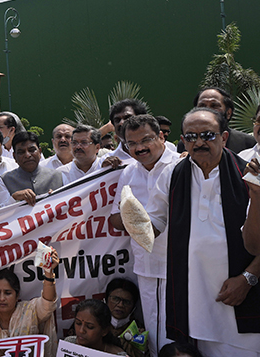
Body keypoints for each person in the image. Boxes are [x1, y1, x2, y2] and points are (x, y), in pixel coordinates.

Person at [147, 107, 260, 357]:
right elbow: (154, 220)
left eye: (208, 135)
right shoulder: (173, 173)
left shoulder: (250, 175)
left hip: (241, 300)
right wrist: (134, 219)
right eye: (190, 137)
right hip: (194, 301)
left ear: (224, 137)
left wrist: (248, 278)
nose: (199, 142)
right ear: (182, 140)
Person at [109, 115, 179, 357]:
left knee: (182, 334)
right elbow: (113, 219)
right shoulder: (128, 173)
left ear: (161, 136)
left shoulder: (181, 166)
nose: (139, 148)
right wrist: (132, 216)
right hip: (147, 266)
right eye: (131, 143)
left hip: (181, 266)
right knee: (155, 333)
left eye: (146, 139)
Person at [0, 250, 60, 357]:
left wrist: (49, 273)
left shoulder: (29, 311)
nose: (2, 298)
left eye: (8, 293)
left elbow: (48, 303)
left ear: (17, 296)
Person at [186, 87, 255, 153]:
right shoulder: (187, 143)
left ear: (228, 113)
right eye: (202, 106)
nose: (207, 110)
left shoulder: (248, 143)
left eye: (214, 106)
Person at [1, 132, 63, 206]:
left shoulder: (59, 176)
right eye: (21, 152)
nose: (27, 155)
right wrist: (14, 198)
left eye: (32, 150)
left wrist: (57, 199)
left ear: (40, 152)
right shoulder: (4, 180)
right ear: (14, 157)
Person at [105, 278, 147, 357]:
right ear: (106, 300)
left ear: (133, 307)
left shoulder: (139, 331)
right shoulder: (97, 323)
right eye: (115, 299)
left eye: (127, 302)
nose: (120, 305)